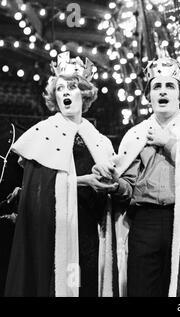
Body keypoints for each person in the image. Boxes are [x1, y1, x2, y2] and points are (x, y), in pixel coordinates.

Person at [99, 57, 180, 297]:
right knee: (142, 289)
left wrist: (171, 144)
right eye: (157, 86)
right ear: (149, 96)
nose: (163, 91)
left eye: (170, 86)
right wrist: (114, 183)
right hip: (146, 221)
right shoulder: (135, 134)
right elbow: (128, 187)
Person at [5, 52, 118, 297]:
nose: (66, 92)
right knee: (67, 284)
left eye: (73, 86)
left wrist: (108, 183)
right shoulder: (43, 133)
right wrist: (83, 182)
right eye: (60, 88)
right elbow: (38, 188)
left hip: (90, 233)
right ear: (54, 96)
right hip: (55, 235)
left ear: (85, 93)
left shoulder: (99, 140)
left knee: (87, 286)